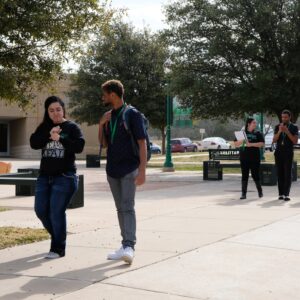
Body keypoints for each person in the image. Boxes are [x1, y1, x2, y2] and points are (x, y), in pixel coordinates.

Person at [98, 80, 147, 264]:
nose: (102, 97)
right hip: (112, 170)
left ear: (112, 94)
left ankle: (129, 246)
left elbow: (142, 143)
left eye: (104, 93)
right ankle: (124, 245)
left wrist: (142, 170)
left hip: (129, 169)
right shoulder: (108, 116)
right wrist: (101, 124)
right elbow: (103, 143)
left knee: (127, 206)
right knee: (120, 208)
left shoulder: (132, 114)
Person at [30, 96, 85, 259]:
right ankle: (58, 237)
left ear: (63, 109)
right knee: (40, 211)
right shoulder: (45, 127)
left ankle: (58, 248)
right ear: (47, 112)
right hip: (44, 177)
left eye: (58, 109)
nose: (55, 113)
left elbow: (79, 146)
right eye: (51, 110)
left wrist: (60, 138)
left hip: (65, 177)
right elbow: (34, 142)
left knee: (56, 212)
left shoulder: (71, 127)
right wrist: (49, 135)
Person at [234, 117, 265, 200]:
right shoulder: (242, 133)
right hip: (244, 157)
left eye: (255, 123)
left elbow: (262, 144)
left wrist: (251, 144)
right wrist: (242, 141)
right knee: (245, 175)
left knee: (255, 175)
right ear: (249, 124)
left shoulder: (258, 133)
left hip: (255, 158)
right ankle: (243, 194)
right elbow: (236, 144)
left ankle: (260, 191)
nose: (255, 124)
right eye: (254, 123)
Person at [273, 109, 298, 201]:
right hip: (279, 152)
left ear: (290, 117)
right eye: (282, 117)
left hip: (288, 153)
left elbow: (294, 141)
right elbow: (274, 140)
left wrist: (287, 131)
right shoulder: (277, 126)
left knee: (287, 173)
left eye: (285, 117)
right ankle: (281, 194)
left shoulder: (294, 127)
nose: (283, 119)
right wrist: (279, 131)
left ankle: (286, 194)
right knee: (280, 174)